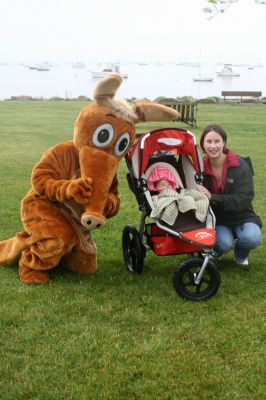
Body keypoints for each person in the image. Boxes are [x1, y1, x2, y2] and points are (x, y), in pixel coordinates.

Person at [198, 124, 262, 266]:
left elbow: (243, 199)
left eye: (217, 141)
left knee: (251, 237)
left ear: (224, 143)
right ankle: (218, 251)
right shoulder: (199, 168)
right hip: (218, 219)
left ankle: (241, 253)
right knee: (224, 243)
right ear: (203, 144)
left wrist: (212, 197)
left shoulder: (240, 165)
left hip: (242, 215)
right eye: (209, 141)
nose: (213, 146)